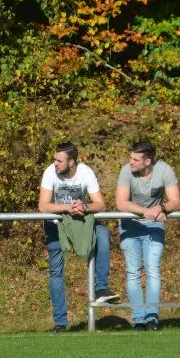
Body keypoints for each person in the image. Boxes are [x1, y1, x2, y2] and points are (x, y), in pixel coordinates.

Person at [38, 142, 119, 332]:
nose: (55, 163)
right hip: (56, 223)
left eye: (59, 161)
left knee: (103, 233)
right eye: (54, 160)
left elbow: (100, 204)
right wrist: (67, 208)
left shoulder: (85, 172)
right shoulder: (50, 172)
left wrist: (85, 206)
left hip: (80, 221)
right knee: (56, 271)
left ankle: (101, 288)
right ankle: (60, 322)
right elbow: (43, 206)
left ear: (72, 161)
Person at [115, 141, 180, 331]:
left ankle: (152, 318)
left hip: (154, 226)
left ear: (148, 161)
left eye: (135, 159)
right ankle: (138, 320)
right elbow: (121, 203)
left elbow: (176, 201)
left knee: (153, 270)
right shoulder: (126, 171)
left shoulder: (164, 170)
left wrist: (161, 208)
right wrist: (146, 212)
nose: (131, 162)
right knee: (133, 272)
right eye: (130, 157)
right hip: (130, 226)